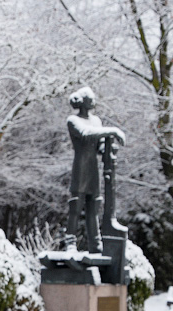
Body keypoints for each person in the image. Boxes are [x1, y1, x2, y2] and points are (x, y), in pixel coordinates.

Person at [66, 86, 123, 253]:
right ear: (84, 102)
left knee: (94, 205)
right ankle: (70, 241)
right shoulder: (73, 121)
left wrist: (109, 147)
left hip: (93, 169)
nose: (94, 102)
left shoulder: (96, 121)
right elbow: (86, 134)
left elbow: (98, 145)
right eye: (91, 99)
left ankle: (95, 243)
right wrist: (112, 131)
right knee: (76, 205)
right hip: (80, 166)